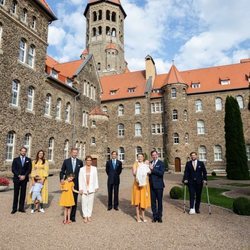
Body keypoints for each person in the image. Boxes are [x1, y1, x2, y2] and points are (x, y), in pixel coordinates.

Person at [60, 148, 83, 222]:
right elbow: (62, 171)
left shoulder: (80, 162)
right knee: (67, 200)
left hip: (76, 183)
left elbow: (82, 174)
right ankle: (66, 217)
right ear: (71, 153)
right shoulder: (66, 161)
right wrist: (61, 179)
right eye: (74, 152)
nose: (75, 154)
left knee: (74, 200)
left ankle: (72, 217)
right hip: (67, 184)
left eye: (76, 153)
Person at [11, 147, 32, 214]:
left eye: (24, 151)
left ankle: (21, 208)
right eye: (22, 151)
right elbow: (13, 169)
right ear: (20, 151)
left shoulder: (28, 160)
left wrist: (25, 176)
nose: (23, 152)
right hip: (17, 178)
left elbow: (29, 169)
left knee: (23, 194)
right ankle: (14, 208)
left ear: (26, 152)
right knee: (16, 194)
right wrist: (19, 175)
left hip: (24, 179)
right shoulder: (15, 159)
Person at [79, 155, 99, 223]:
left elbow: (96, 178)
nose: (89, 161)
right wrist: (80, 188)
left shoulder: (94, 168)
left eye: (90, 160)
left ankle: (89, 215)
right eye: (87, 160)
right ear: (85, 161)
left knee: (90, 202)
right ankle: (85, 216)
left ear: (91, 161)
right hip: (84, 188)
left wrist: (96, 186)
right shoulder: (82, 169)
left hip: (91, 187)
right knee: (84, 202)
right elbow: (80, 179)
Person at [131, 154, 151, 222]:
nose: (140, 158)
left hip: (144, 184)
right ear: (137, 158)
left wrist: (148, 166)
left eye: (141, 157)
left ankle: (143, 216)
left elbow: (149, 172)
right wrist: (139, 168)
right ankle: (138, 217)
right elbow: (134, 173)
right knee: (137, 201)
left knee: (143, 200)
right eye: (138, 157)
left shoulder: (145, 164)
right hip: (137, 184)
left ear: (143, 158)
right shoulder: (135, 164)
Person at [149, 150, 165, 223]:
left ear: (157, 155)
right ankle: (154, 216)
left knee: (159, 201)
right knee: (153, 202)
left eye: (155, 155)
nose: (154, 156)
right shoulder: (150, 163)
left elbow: (161, 173)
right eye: (153, 155)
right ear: (151, 156)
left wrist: (153, 169)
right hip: (151, 185)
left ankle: (159, 216)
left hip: (159, 186)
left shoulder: (161, 163)